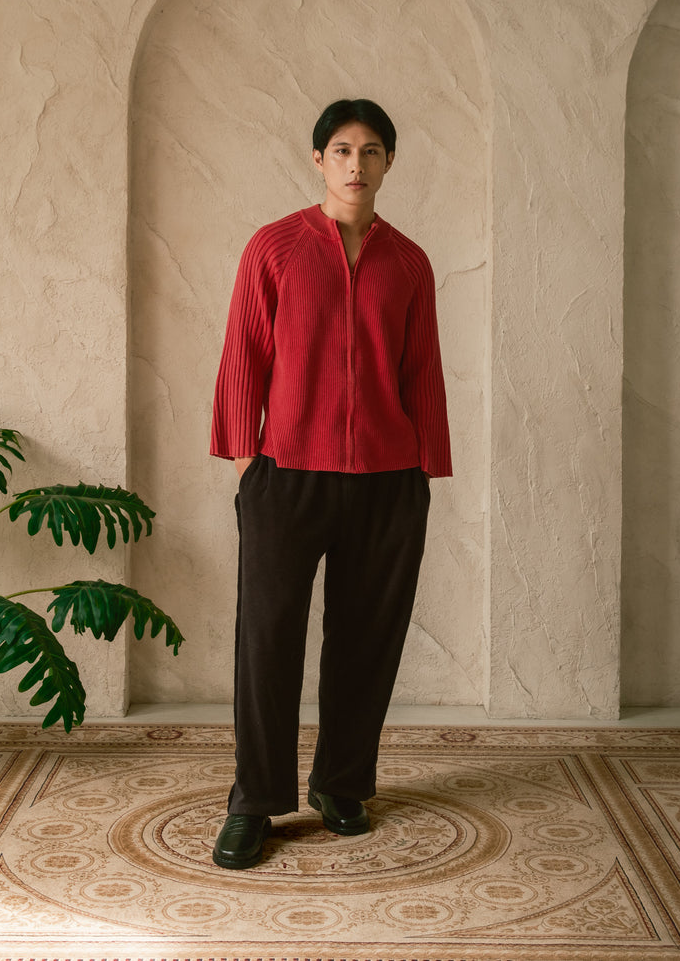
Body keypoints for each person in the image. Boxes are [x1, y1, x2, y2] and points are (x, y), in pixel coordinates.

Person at [209, 98, 452, 869]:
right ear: (319, 160)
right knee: (268, 638)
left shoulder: (410, 262)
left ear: (387, 163)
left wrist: (426, 467)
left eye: (372, 150)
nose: (357, 163)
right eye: (342, 149)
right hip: (288, 474)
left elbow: (422, 368)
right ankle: (255, 799)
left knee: (366, 640)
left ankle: (342, 783)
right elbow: (244, 348)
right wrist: (249, 462)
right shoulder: (274, 248)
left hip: (388, 480)